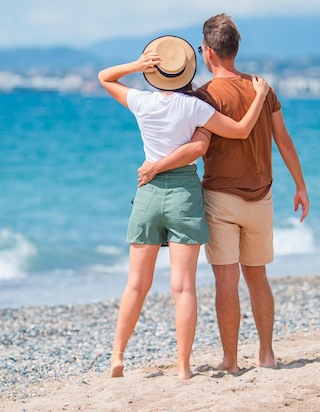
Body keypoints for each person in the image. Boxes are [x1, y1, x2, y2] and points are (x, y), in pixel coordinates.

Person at [137, 14, 310, 373]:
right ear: (234, 48)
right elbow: (285, 141)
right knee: (258, 278)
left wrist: (156, 166)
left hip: (220, 199)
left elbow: (196, 146)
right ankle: (266, 355)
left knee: (226, 282)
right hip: (262, 198)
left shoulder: (205, 95)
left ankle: (230, 362)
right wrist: (301, 186)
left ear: (208, 53)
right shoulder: (263, 87)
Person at [97, 35, 270, 380]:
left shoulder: (142, 102)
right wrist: (261, 95)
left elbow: (104, 77)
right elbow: (239, 130)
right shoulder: (196, 108)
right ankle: (182, 366)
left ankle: (117, 354)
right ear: (188, 70)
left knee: (136, 283)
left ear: (155, 73)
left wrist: (136, 65)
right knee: (184, 287)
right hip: (184, 194)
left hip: (148, 192)